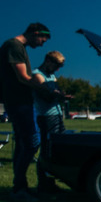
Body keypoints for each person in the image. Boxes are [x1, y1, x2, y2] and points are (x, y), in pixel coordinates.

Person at [0, 22, 51, 202]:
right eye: (43, 38)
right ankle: (19, 188)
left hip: (22, 101)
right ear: (35, 33)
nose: (43, 43)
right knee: (31, 142)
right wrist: (44, 88)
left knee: (23, 143)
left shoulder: (18, 47)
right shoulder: (14, 46)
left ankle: (20, 186)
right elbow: (22, 77)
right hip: (18, 102)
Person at [33, 51, 70, 193]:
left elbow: (56, 92)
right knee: (47, 149)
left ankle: (51, 182)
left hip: (57, 115)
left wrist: (60, 95)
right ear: (48, 61)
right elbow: (47, 95)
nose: (58, 70)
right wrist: (57, 94)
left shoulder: (51, 76)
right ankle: (44, 183)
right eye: (56, 65)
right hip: (47, 116)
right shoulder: (37, 75)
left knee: (56, 150)